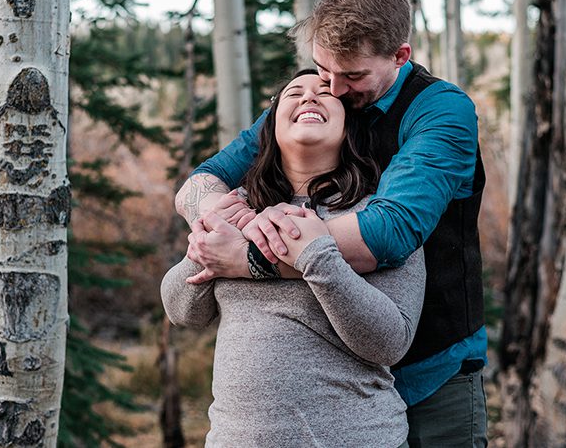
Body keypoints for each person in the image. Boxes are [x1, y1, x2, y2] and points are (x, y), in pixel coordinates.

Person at [177, 0, 488, 447]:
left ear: (400, 56)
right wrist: (215, 220)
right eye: (324, 70)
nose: (335, 90)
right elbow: (201, 182)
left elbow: (388, 232)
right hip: (334, 381)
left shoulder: (441, 111)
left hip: (431, 366)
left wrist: (247, 257)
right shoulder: (315, 95)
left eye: (354, 76)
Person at [162, 71, 425, 446]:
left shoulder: (379, 219)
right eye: (293, 93)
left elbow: (389, 343)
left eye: (324, 94)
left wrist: (317, 255)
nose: (309, 98)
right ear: (269, 128)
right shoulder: (239, 208)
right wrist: (205, 249)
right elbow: (182, 312)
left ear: (349, 125)